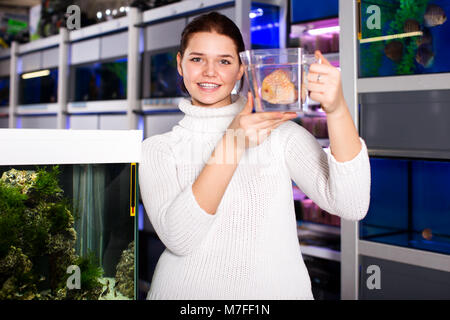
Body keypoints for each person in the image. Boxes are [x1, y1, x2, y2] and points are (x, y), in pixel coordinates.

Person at [139, 12, 370, 300]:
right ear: (180, 64)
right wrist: (233, 143)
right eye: (197, 59)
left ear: (240, 70)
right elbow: (180, 239)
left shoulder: (278, 133)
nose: (210, 72)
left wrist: (337, 109)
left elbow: (352, 204)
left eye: (224, 61)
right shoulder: (157, 149)